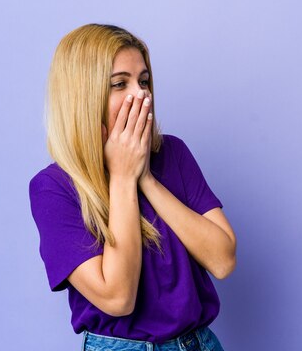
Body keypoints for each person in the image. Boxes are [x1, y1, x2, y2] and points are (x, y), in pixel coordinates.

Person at [28, 23, 236, 351]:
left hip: (198, 343)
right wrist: (122, 178)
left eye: (144, 81)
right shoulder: (53, 188)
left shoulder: (173, 154)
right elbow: (118, 297)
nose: (141, 94)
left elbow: (223, 260)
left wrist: (146, 178)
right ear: (83, 95)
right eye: (119, 83)